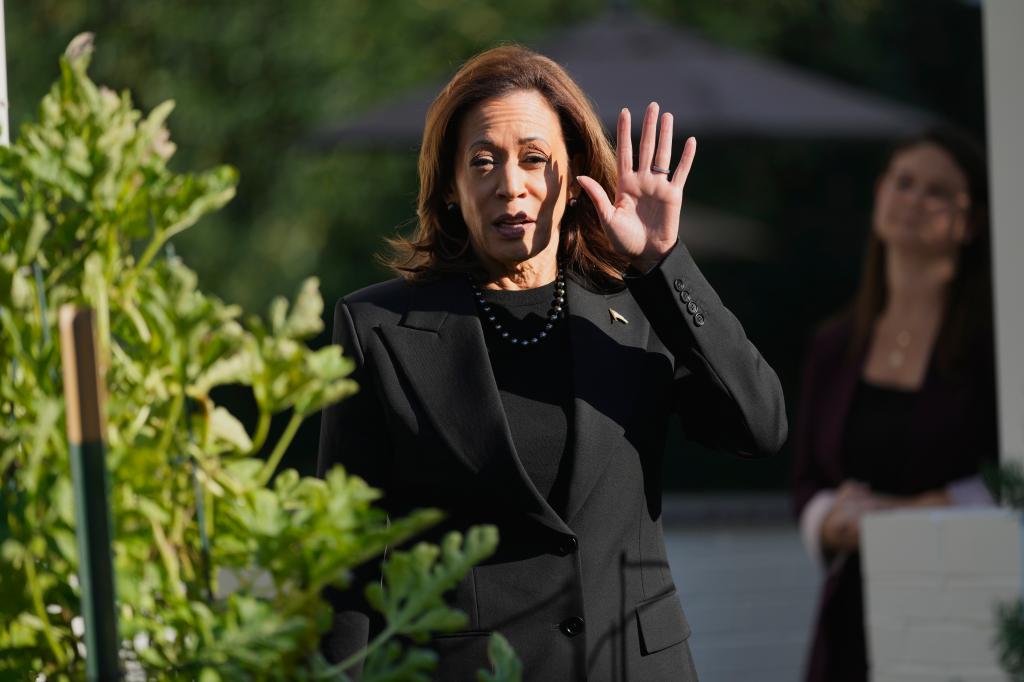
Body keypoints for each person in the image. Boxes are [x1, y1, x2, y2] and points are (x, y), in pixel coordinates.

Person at [317, 44, 788, 682]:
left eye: (534, 159)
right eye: (483, 162)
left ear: (573, 178)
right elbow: (347, 561)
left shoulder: (641, 305)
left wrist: (661, 263)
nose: (511, 184)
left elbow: (759, 426)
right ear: (452, 188)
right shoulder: (379, 329)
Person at [791, 127, 998, 682]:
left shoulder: (997, 347)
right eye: (904, 182)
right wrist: (833, 522)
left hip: (960, 608)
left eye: (937, 192)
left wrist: (926, 512)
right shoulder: (834, 345)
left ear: (971, 223)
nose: (914, 200)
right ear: (880, 193)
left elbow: (1012, 475)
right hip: (851, 613)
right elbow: (807, 481)